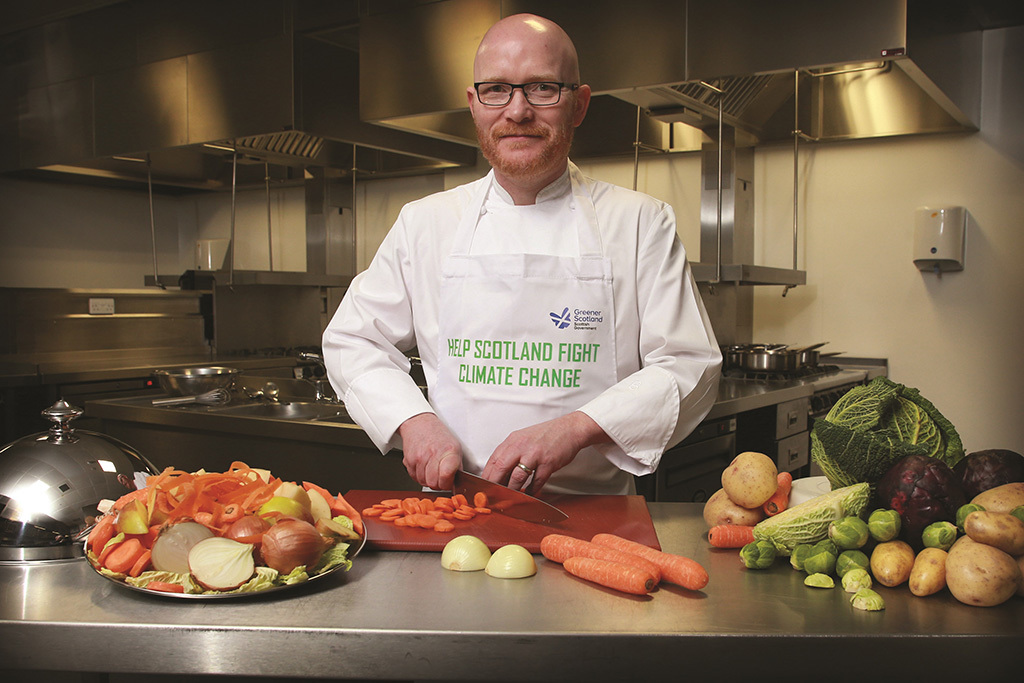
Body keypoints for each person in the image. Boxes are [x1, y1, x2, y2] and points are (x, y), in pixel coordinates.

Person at [322, 13, 721, 496]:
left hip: (595, 524)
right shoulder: (425, 223)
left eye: (542, 89)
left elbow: (690, 364)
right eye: (496, 90)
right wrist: (413, 420)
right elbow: (352, 340)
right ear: (474, 104)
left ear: (578, 104)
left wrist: (576, 428)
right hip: (457, 513)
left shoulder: (639, 223)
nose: (516, 111)